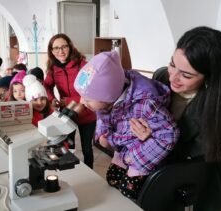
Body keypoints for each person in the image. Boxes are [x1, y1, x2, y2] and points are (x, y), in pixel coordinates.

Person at [131, 26, 221, 210]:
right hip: (151, 169)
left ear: (209, 77)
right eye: (173, 64)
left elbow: (189, 155)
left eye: (186, 75)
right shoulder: (161, 76)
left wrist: (150, 140)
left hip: (189, 175)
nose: (173, 77)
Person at [74, 51, 179, 200]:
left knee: (128, 193)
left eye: (88, 99)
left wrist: (133, 158)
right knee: (112, 179)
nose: (82, 102)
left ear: (108, 95)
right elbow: (103, 116)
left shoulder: (145, 104)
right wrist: (101, 135)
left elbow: (169, 134)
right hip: (123, 148)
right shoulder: (108, 99)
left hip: (142, 156)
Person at [44, 33, 97, 168]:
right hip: (67, 115)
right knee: (69, 147)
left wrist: (67, 100)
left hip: (87, 114)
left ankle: (89, 174)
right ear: (51, 51)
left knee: (87, 149)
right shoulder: (53, 68)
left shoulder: (83, 65)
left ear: (70, 47)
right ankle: (71, 172)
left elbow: (91, 90)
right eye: (56, 48)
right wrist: (52, 99)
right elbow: (47, 86)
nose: (60, 51)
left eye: (64, 47)